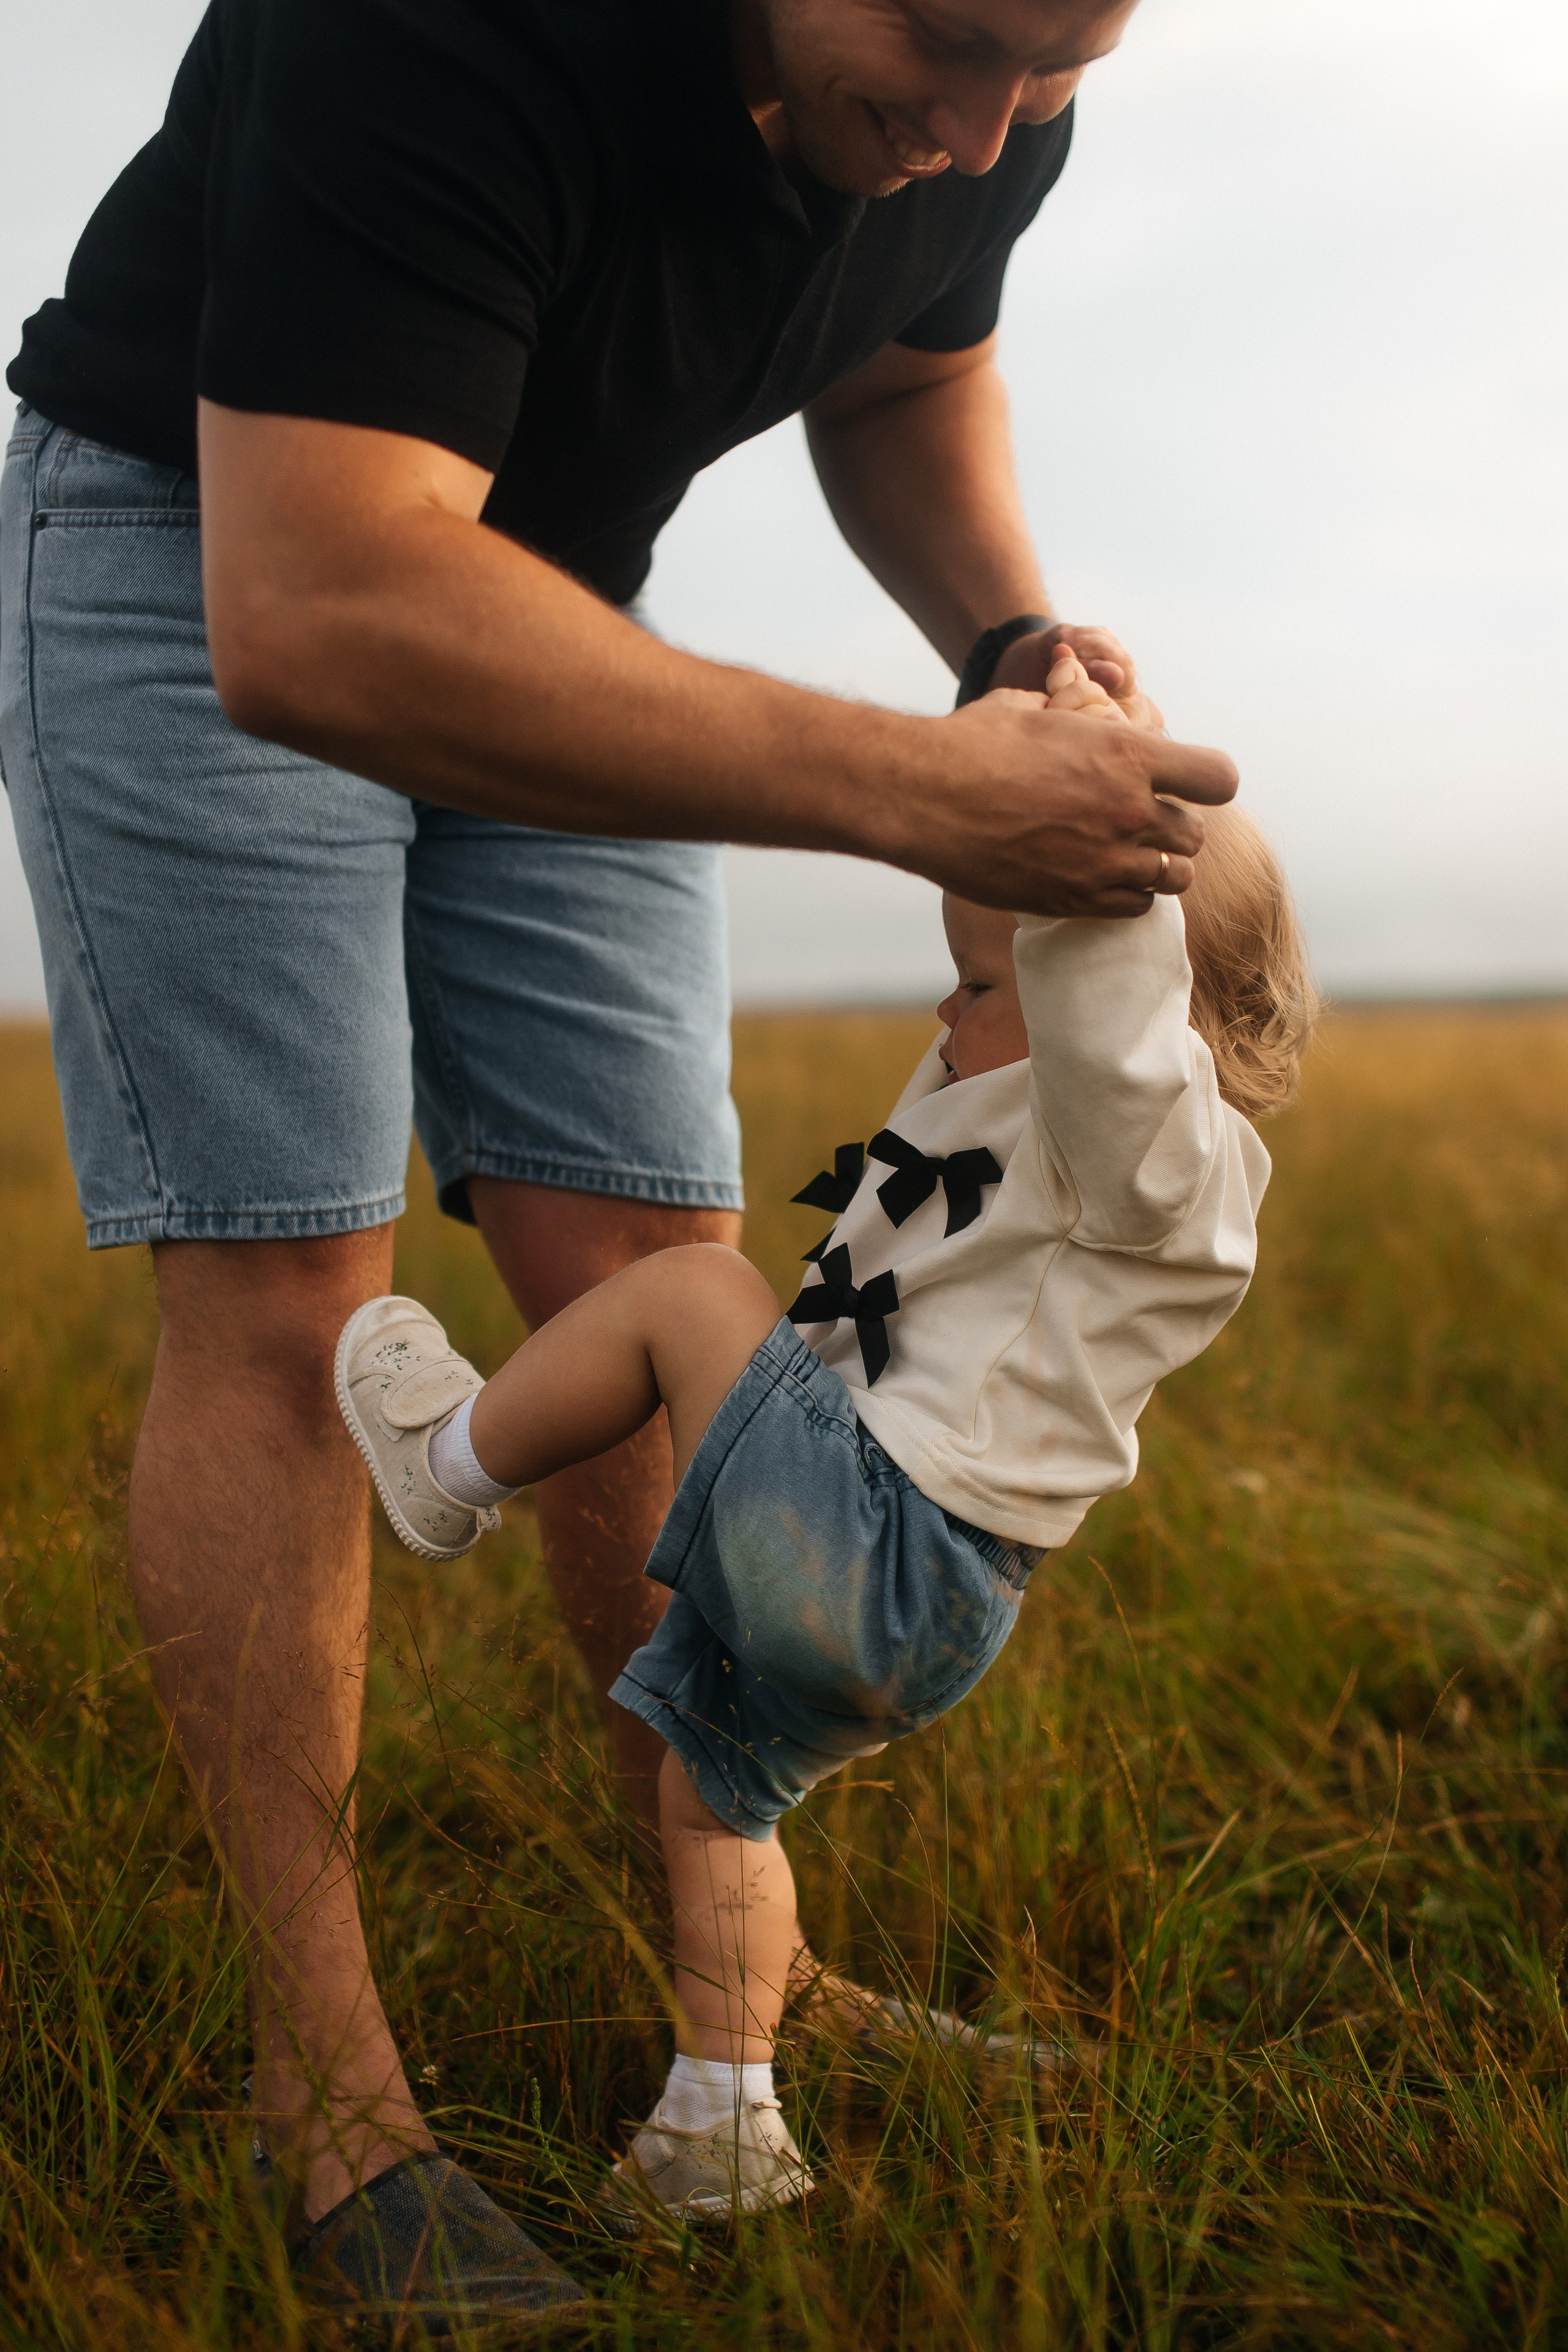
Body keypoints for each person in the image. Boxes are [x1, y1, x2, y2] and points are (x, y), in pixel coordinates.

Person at [1, 0, 1242, 2318]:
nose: (983, 132)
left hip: (562, 589)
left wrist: (1001, 645)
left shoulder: (986, 99)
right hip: (220, 556)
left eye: (1055, 77)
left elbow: (908, 371)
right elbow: (323, 602)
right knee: (289, 1289)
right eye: (955, 45)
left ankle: (734, 1974)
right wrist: (913, 785)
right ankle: (333, 2110)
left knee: (665, 1283)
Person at [337, 649, 1319, 2239]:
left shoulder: (1164, 1168)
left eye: (989, 979)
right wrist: (1032, 734)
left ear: (1142, 986)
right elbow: (1038, 1023)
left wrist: (1113, 822)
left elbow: (1111, 1023)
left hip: (879, 1531)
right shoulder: (1045, 1130)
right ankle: (720, 2125)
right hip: (924, 1603)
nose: (949, 1008)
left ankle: (441, 1463)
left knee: (689, 1288)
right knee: (717, 1796)